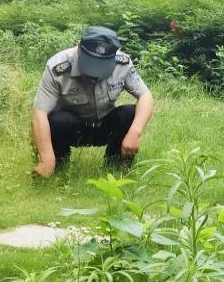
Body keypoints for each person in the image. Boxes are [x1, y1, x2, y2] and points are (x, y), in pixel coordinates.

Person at [31, 26, 154, 178]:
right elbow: (39, 113)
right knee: (57, 120)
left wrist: (135, 131)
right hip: (73, 129)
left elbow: (146, 96)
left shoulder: (122, 63)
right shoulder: (57, 67)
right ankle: (57, 166)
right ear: (79, 50)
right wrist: (46, 159)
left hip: (104, 126)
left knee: (130, 113)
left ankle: (117, 167)